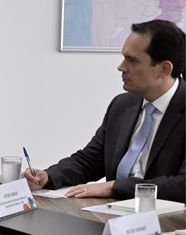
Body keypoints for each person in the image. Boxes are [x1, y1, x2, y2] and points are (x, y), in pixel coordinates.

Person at [23, 19, 185, 201]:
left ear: (164, 69)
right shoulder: (122, 105)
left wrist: (115, 187)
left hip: (166, 222)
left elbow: (182, 185)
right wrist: (49, 176)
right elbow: (91, 161)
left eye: (132, 60)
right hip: (112, 214)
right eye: (124, 57)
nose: (121, 67)